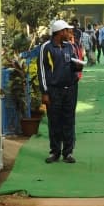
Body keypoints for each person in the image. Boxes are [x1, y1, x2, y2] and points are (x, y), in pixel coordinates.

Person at [39, 19, 84, 163]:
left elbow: (74, 63)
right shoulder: (46, 48)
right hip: (54, 91)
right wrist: (45, 92)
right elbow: (42, 71)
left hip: (70, 89)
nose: (69, 33)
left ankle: (68, 152)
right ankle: (55, 152)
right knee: (55, 121)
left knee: (69, 120)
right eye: (66, 30)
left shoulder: (69, 46)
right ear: (59, 32)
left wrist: (78, 66)